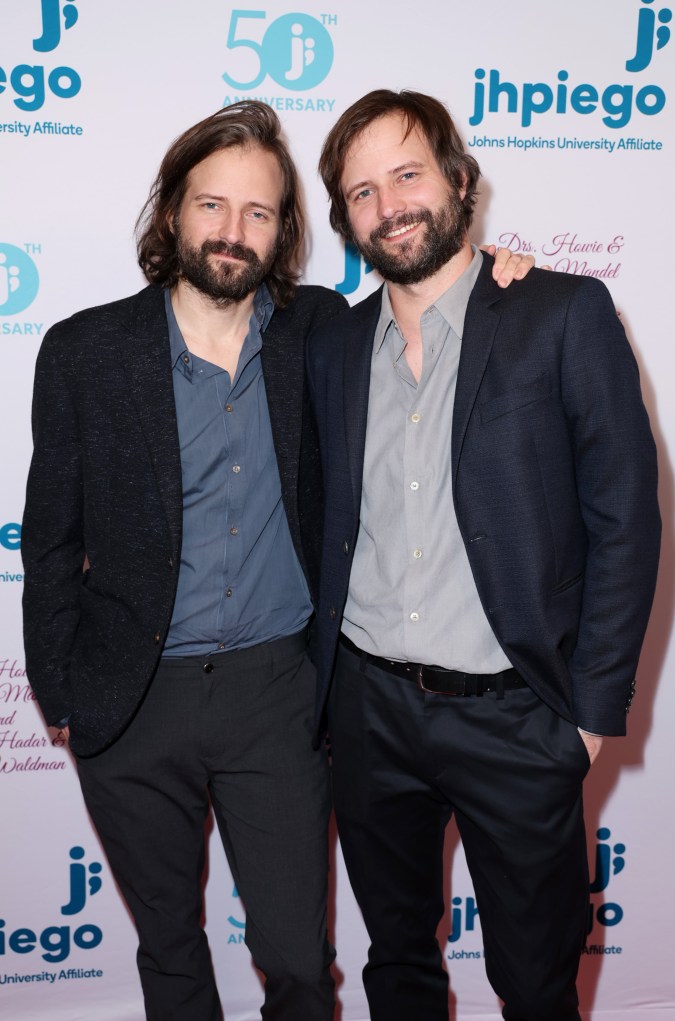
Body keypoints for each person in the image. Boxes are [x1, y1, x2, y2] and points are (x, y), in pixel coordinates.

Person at [21, 99, 532, 1020]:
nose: (232, 230)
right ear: (172, 211)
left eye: (258, 212)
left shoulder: (319, 332)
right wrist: (60, 691)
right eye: (211, 205)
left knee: (298, 958)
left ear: (284, 230)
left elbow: (427, 299)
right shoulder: (82, 352)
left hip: (277, 694)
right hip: (131, 698)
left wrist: (501, 280)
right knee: (171, 948)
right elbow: (49, 538)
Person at [307, 89, 661, 1021]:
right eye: (361, 192)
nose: (389, 206)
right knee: (398, 964)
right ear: (345, 219)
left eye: (408, 174)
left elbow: (627, 518)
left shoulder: (559, 313)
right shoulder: (331, 346)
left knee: (537, 982)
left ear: (460, 180)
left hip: (517, 717)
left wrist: (586, 719)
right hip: (369, 710)